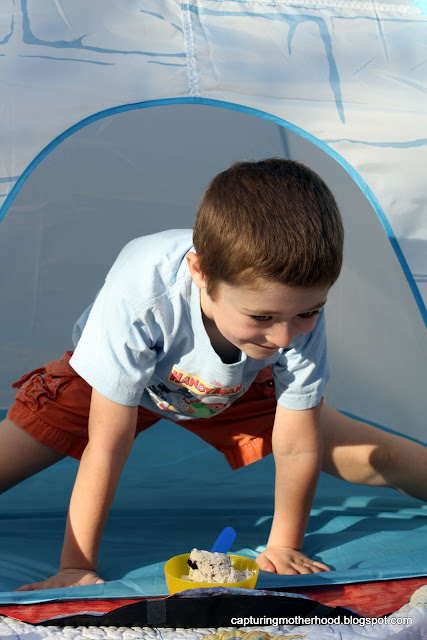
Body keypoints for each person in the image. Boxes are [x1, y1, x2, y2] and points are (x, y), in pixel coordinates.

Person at [0, 159, 426, 591]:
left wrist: (285, 544)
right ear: (199, 273)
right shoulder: (143, 293)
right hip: (115, 381)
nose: (283, 337)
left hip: (236, 385)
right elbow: (108, 445)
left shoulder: (291, 309)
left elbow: (298, 444)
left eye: (309, 312)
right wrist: (75, 566)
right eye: (261, 316)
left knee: (379, 456)